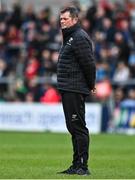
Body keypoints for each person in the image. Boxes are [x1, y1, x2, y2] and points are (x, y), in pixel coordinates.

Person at [57, 6, 96, 175]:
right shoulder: (71, 37)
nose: (62, 22)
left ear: (74, 20)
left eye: (65, 19)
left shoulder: (79, 37)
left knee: (78, 127)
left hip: (75, 88)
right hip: (68, 87)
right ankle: (76, 164)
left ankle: (83, 166)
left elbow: (89, 63)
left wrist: (91, 84)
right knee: (72, 127)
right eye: (61, 19)